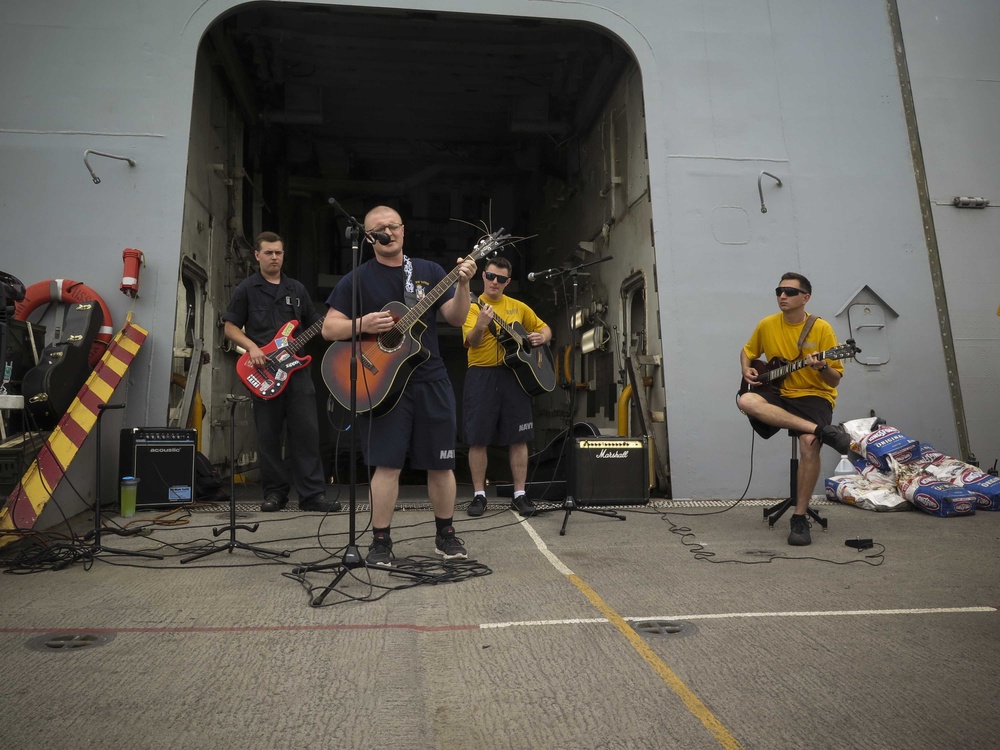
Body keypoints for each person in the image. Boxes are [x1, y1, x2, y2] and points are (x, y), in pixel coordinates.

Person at [322, 205, 477, 565]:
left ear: (403, 231)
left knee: (442, 462)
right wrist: (363, 323)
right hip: (384, 385)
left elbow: (455, 317)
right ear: (368, 237)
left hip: (431, 377)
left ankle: (446, 534)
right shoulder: (357, 278)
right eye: (379, 229)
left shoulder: (428, 272)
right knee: (386, 464)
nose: (387, 233)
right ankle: (380, 541)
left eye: (393, 227)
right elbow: (330, 328)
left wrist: (465, 283)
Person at [223, 231, 340, 514]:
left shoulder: (297, 290)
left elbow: (318, 326)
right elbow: (230, 327)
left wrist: (342, 319)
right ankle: (275, 494)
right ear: (258, 255)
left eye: (279, 252)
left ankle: (312, 495)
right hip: (263, 371)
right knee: (268, 435)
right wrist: (252, 348)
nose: (275, 257)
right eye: (269, 253)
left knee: (307, 433)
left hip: (297, 374)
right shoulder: (246, 289)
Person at [736, 272, 853, 546]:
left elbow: (835, 378)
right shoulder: (767, 324)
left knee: (809, 444)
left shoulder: (821, 329)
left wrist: (822, 365)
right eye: (779, 291)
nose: (782, 296)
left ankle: (799, 518)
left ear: (805, 298)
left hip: (814, 395)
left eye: (789, 292)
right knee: (746, 400)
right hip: (779, 394)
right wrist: (746, 368)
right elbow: (747, 350)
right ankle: (824, 431)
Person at [463, 256, 552, 517]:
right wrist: (481, 325)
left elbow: (545, 328)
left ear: (507, 282)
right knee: (477, 437)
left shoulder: (518, 307)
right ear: (483, 276)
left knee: (519, 436)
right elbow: (471, 341)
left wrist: (540, 337)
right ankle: (479, 495)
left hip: (515, 376)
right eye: (490, 276)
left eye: (501, 279)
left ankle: (520, 494)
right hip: (481, 375)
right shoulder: (471, 307)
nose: (494, 282)